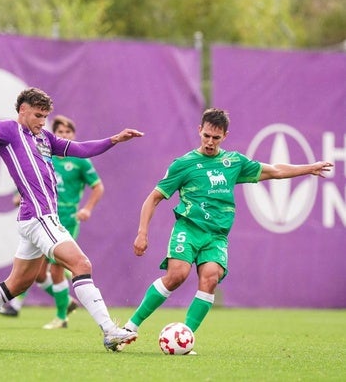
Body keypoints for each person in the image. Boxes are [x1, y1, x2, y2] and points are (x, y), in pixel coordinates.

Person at [0, 87, 142, 351]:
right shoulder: (8, 130)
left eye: (45, 116)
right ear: (22, 110)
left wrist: (113, 139)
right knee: (81, 263)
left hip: (33, 219)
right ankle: (109, 331)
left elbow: (79, 149)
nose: (42, 122)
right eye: (37, 115)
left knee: (18, 283)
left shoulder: (44, 137)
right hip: (40, 216)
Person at [117, 108, 333, 353]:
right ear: (199, 130)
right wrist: (142, 233)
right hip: (189, 228)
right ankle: (130, 327)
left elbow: (275, 170)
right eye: (206, 135)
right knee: (177, 275)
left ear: (225, 136)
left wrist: (309, 167)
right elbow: (153, 198)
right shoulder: (183, 164)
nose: (210, 142)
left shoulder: (234, 163)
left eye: (216, 138)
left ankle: (183, 339)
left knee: (210, 279)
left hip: (216, 236)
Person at [0, 115, 104, 330]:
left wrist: (87, 209)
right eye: (60, 132)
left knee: (56, 270)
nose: (64, 135)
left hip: (67, 219)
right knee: (38, 273)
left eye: (68, 132)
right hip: (44, 216)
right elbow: (34, 180)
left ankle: (61, 317)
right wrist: (23, 195)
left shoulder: (80, 160)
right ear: (54, 134)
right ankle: (66, 302)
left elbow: (98, 187)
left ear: (73, 135)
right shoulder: (47, 155)